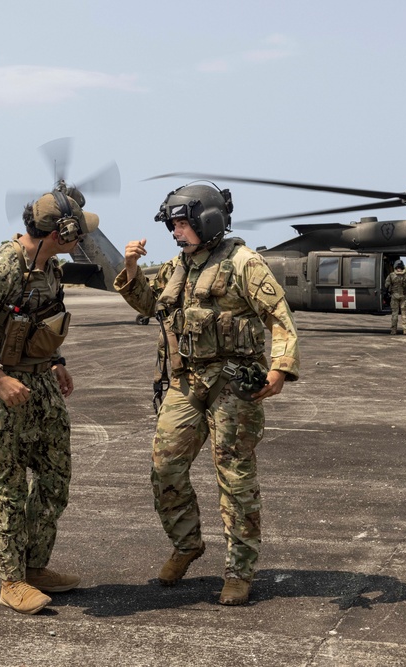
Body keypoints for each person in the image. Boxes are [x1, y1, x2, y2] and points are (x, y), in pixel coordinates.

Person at [114, 183, 300, 606]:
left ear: (208, 221)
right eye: (173, 224)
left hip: (232, 385)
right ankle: (187, 544)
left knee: (235, 478)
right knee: (165, 469)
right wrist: (129, 268)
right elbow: (149, 306)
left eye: (182, 223)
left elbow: (280, 320)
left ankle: (239, 569)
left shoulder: (244, 263)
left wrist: (281, 368)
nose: (176, 231)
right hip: (185, 383)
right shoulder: (178, 266)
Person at [0, 185, 98, 615]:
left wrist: (56, 360)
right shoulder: (1, 268)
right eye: (77, 232)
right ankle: (12, 581)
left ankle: (35, 566)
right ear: (57, 233)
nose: (82, 238)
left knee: (54, 482)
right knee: (8, 489)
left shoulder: (50, 267)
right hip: (6, 396)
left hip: (43, 389)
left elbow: (42, 319)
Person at [384, 259, 406, 334]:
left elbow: (386, 285)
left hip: (394, 296)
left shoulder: (391, 275)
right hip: (404, 296)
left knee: (394, 313)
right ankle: (405, 330)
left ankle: (393, 330)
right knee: (404, 314)